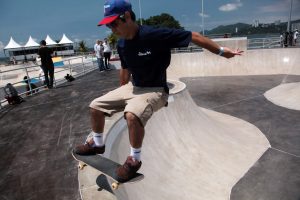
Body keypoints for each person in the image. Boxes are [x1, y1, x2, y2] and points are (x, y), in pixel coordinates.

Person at [74, 0, 243, 182]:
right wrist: (121, 94)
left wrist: (221, 51)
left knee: (132, 114)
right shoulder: (122, 45)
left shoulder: (154, 35)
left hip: (155, 90)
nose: (112, 29)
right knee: (95, 106)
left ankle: (134, 160)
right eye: (108, 25)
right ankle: (98, 144)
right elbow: (125, 69)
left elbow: (193, 36)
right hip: (133, 87)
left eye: (114, 23)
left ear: (128, 17)